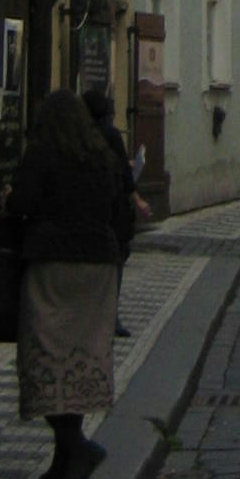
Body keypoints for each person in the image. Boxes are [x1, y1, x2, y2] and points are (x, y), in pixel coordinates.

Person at [8, 89, 134, 479]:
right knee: (80, 356)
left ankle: (77, 447)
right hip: (98, 267)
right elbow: (120, 211)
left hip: (53, 264)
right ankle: (64, 463)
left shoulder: (42, 154)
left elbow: (21, 203)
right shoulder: (102, 156)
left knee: (45, 356)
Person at [82, 87, 142, 339]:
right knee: (114, 265)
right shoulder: (111, 135)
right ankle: (111, 317)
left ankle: (89, 316)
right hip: (111, 211)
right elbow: (125, 175)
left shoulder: (77, 135)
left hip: (87, 212)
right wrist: (136, 197)